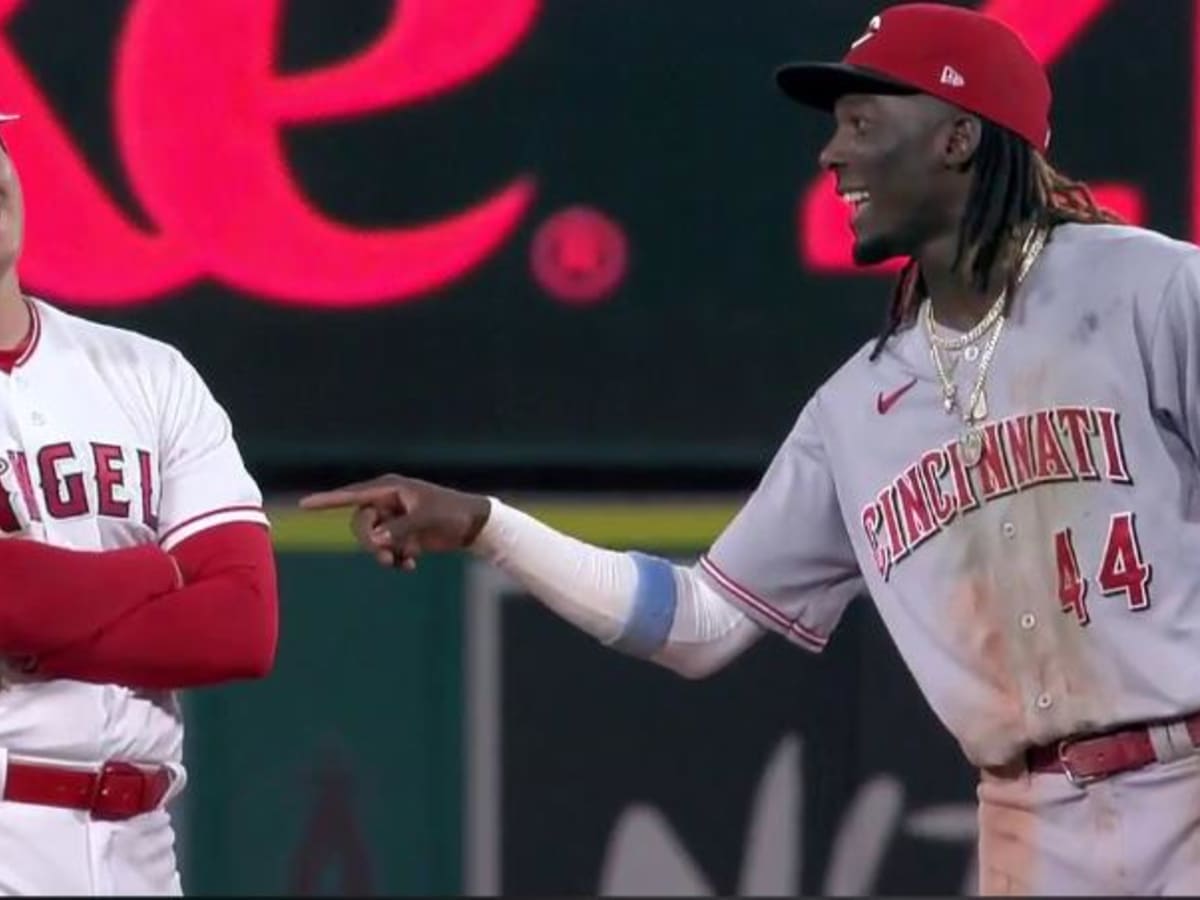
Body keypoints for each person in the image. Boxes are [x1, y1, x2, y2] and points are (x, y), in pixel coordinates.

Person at [301, 3, 1200, 894]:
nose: (832, 154)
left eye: (861, 122)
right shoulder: (857, 412)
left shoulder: (1151, 291)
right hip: (1031, 827)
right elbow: (697, 622)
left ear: (958, 139)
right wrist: (489, 528)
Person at [0, 118, 278, 893]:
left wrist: (45, 638)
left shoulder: (149, 373)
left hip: (142, 846)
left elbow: (242, 627)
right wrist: (163, 570)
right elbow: (9, 599)